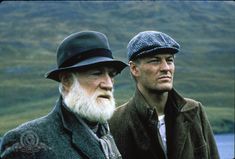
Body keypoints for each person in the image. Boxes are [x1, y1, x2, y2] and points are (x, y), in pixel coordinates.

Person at [0, 31, 127, 159]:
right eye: (96, 73)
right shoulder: (29, 141)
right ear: (67, 81)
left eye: (111, 75)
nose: (108, 84)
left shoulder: (111, 134)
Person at [109, 31, 219, 159]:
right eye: (155, 61)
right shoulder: (114, 122)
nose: (166, 68)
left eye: (169, 60)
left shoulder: (194, 111)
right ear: (134, 69)